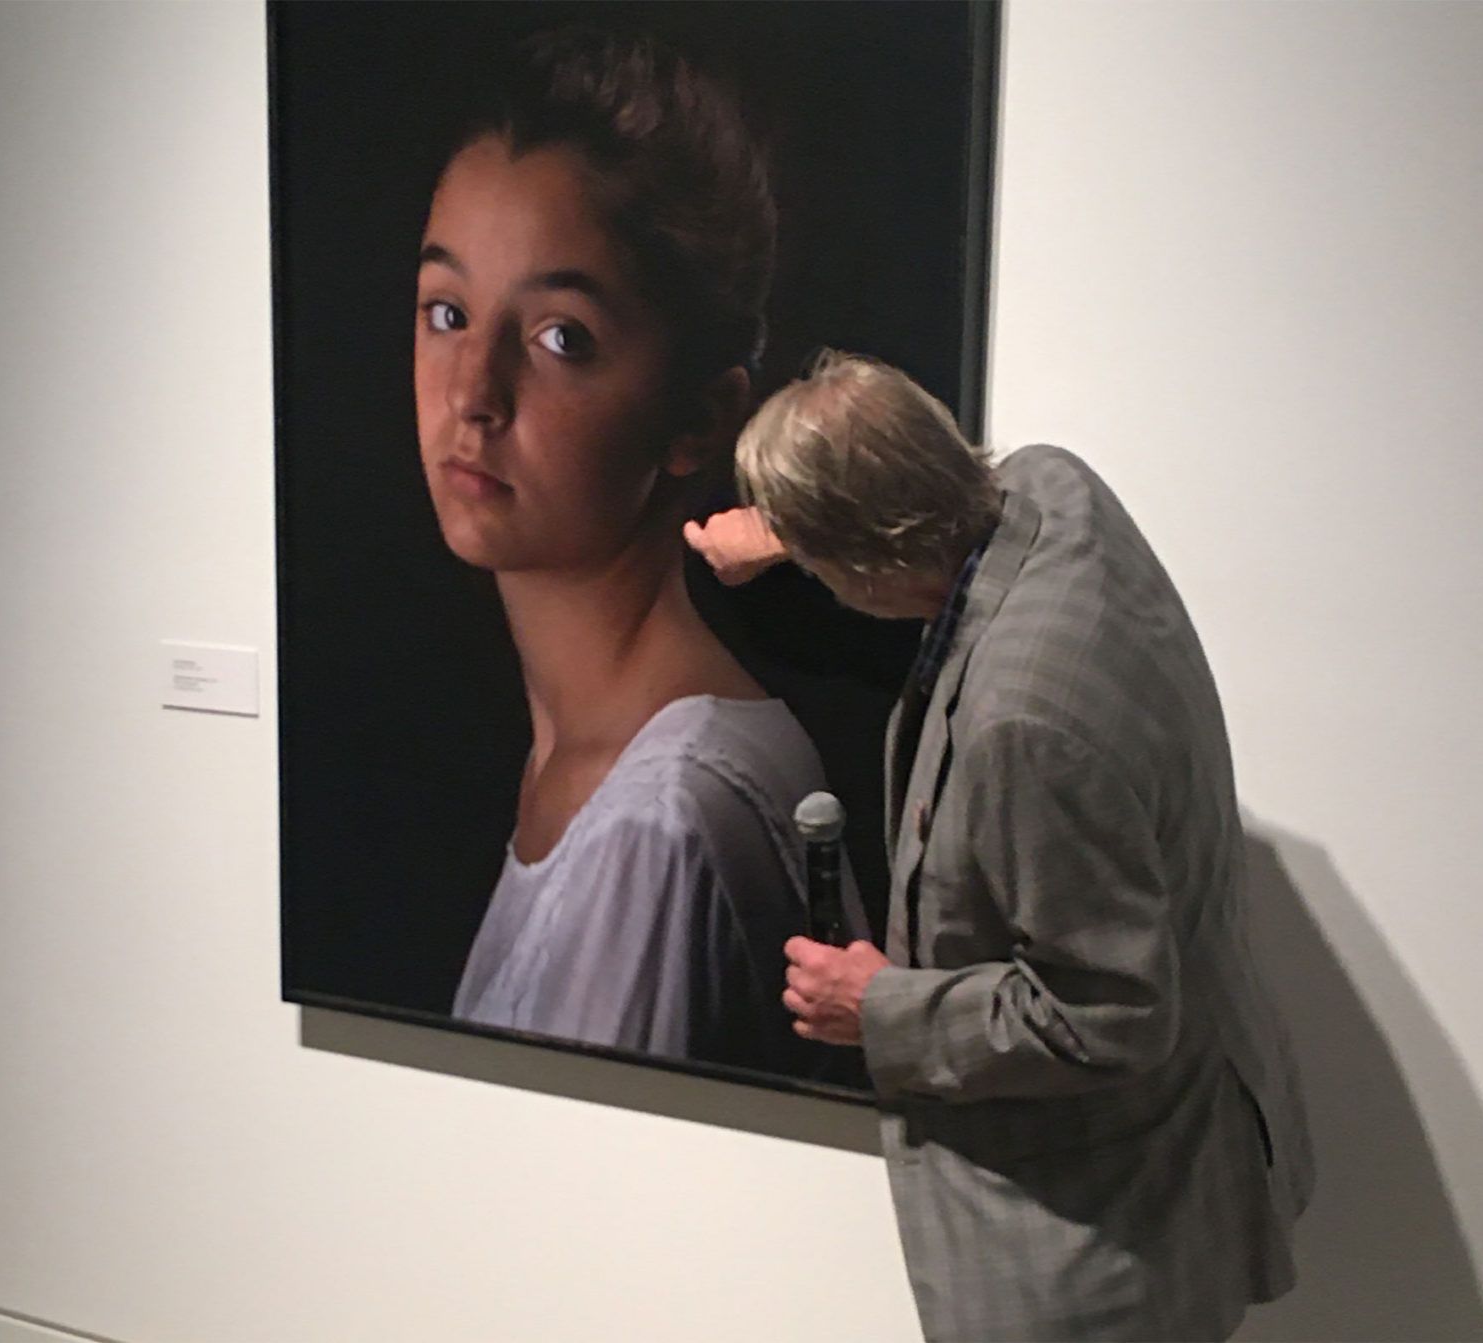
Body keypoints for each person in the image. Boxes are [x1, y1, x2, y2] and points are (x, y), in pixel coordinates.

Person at [691, 352, 1316, 1340]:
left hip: (1097, 1241)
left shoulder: (1025, 727)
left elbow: (1108, 1011)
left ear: (863, 562)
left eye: (821, 560)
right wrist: (792, 526)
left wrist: (880, 1005)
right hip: (1190, 1126)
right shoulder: (1052, 487)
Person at [419, 30, 852, 1081]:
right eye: (447, 311)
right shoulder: (599, 758)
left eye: (560, 336)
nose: (471, 393)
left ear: (699, 419)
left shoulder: (658, 822)